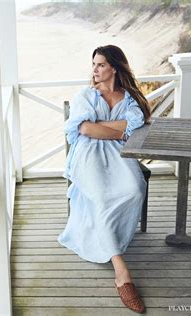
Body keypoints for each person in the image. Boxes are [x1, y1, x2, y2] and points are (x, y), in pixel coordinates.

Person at [58, 45, 151, 314]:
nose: (95, 70)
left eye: (100, 65)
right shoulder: (86, 95)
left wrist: (102, 127)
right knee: (99, 196)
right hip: (87, 151)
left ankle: (112, 236)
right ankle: (121, 270)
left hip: (118, 151)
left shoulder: (129, 98)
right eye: (94, 65)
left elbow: (136, 123)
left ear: (114, 67)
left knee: (134, 189)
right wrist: (117, 129)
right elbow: (83, 128)